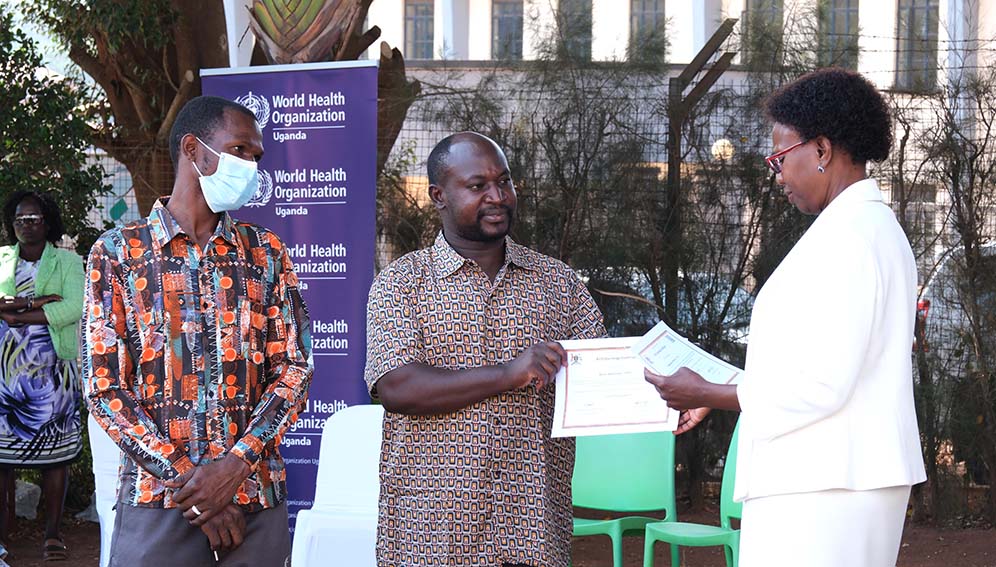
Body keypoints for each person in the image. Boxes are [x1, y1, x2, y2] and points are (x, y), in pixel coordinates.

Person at [644, 68, 926, 567]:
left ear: (821, 150)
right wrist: (721, 383)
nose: (776, 175)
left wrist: (711, 393)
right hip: (827, 476)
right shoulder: (857, 228)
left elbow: (822, 384)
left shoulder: (852, 238)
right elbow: (817, 364)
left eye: (779, 158)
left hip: (826, 482)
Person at [82, 96, 313, 566]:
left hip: (254, 499)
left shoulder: (265, 253)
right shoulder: (118, 255)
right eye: (240, 151)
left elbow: (294, 369)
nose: (251, 165)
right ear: (194, 149)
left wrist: (233, 468)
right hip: (158, 504)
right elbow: (104, 387)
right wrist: (194, 487)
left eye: (256, 157)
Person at [364, 131, 605, 567]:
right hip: (431, 534)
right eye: (478, 186)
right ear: (439, 195)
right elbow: (398, 387)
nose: (498, 196)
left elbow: (604, 378)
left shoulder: (557, 283)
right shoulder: (402, 283)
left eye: (505, 182)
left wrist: (666, 397)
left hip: (531, 527)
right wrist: (509, 374)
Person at [0, 191, 84, 562]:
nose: (26, 225)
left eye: (33, 218)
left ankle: (53, 534)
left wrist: (18, 315)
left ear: (47, 222)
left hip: (54, 372)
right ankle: (3, 534)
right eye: (20, 219)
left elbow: (73, 307)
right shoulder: (2, 259)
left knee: (56, 457)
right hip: (6, 375)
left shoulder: (67, 261)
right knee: (2, 459)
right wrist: (37, 301)